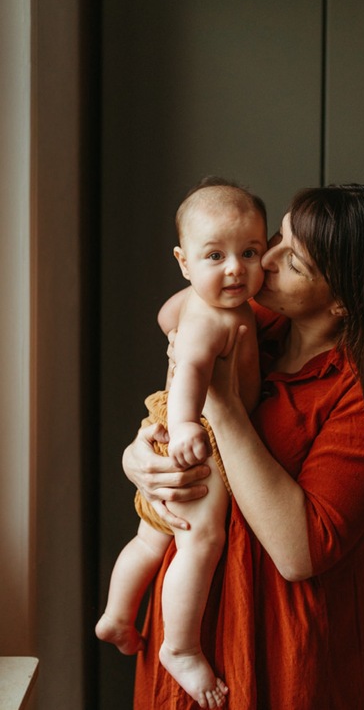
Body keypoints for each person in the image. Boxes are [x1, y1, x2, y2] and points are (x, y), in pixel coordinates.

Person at [122, 183, 364, 710]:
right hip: (187, 623)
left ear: (344, 299)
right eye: (277, 237)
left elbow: (301, 552)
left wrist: (223, 409)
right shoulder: (248, 320)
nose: (263, 261)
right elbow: (171, 410)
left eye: (293, 260)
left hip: (278, 647)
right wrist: (140, 459)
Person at [96, 178, 268, 709]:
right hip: (201, 432)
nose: (236, 268)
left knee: (153, 538)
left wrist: (197, 290)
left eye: (250, 252)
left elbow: (165, 320)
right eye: (215, 255)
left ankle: (118, 613)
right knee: (201, 539)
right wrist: (190, 423)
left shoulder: (198, 300)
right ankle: (180, 646)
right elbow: (191, 364)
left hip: (178, 418)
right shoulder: (216, 317)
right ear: (183, 260)